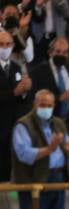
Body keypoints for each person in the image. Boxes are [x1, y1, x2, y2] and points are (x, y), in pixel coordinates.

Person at [12, 88, 69, 209]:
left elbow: (68, 147)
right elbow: (23, 154)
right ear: (34, 104)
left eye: (49, 106)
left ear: (54, 106)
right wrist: (49, 150)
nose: (46, 109)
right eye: (42, 105)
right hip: (35, 180)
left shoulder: (59, 124)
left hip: (58, 180)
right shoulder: (23, 125)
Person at [30, 37, 69, 139]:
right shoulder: (38, 72)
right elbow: (33, 99)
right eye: (58, 51)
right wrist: (61, 97)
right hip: (48, 124)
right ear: (50, 52)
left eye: (65, 52)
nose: (61, 55)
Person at [0, 28, 31, 182]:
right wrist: (15, 93)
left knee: (10, 166)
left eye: (8, 44)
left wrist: (25, 90)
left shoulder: (16, 67)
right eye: (1, 44)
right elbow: (13, 93)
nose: (5, 48)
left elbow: (22, 99)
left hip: (13, 123)